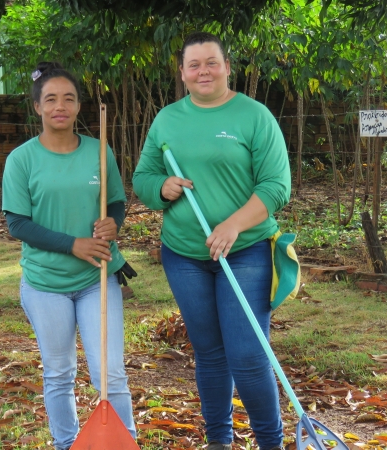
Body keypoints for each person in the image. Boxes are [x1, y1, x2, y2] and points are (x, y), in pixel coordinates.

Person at [132, 32, 291, 450]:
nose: (203, 71)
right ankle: (219, 440)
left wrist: (234, 225)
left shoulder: (254, 117)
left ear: (226, 67)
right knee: (209, 351)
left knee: (248, 354)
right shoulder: (167, 119)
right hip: (184, 254)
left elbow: (277, 186)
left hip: (246, 251)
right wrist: (161, 187)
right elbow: (143, 177)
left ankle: (270, 442)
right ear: (182, 73)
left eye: (211, 62)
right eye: (194, 65)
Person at [2, 62, 136, 450]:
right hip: (46, 285)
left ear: (79, 106)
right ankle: (66, 444)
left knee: (110, 374)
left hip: (96, 280)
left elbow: (115, 203)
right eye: (51, 99)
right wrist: (73, 244)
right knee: (59, 373)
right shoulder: (21, 159)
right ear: (37, 107)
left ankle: (125, 443)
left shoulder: (99, 150)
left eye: (69, 98)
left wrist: (113, 223)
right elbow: (18, 224)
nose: (60, 106)